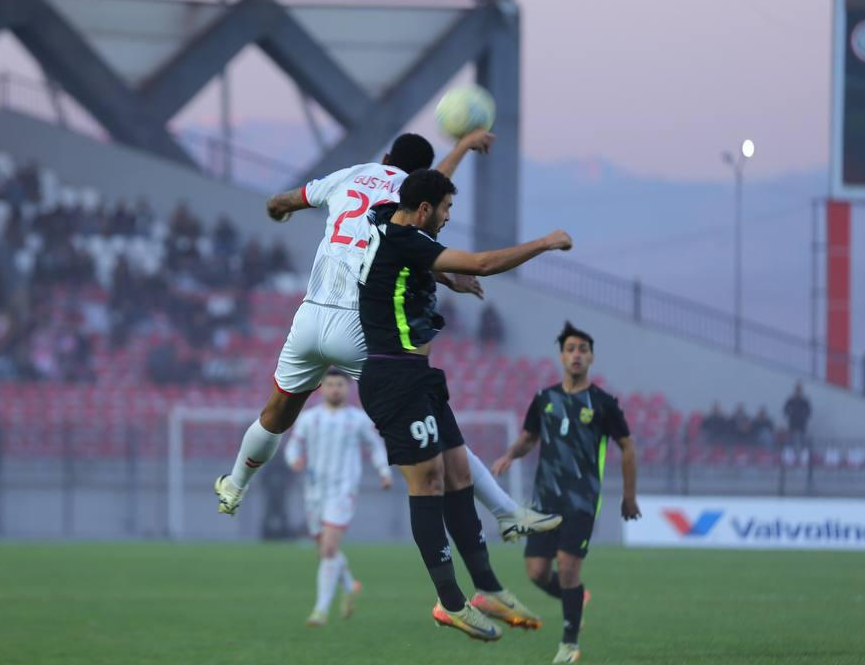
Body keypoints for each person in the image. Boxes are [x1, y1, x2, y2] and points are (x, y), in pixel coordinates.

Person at [215, 132, 559, 544]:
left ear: (385, 157)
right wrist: (463, 147)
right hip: (362, 328)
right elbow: (427, 199)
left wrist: (277, 209)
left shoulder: (351, 176)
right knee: (436, 426)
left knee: (277, 412)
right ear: (419, 184)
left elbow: (284, 201)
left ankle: (235, 485)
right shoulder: (409, 196)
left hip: (310, 317)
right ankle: (506, 513)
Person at [355, 169, 574, 640]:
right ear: (425, 209)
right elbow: (483, 261)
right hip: (393, 378)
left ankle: (487, 589)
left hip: (417, 377)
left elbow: (399, 258)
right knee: (428, 483)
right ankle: (450, 603)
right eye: (448, 209)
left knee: (457, 472)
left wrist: (444, 279)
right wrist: (545, 242)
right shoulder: (405, 237)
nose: (450, 217)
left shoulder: (380, 221)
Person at [491, 321, 641, 663]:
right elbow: (530, 437)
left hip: (582, 500)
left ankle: (569, 645)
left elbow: (628, 447)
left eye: (583, 350)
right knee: (537, 573)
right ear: (561, 356)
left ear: (591, 358)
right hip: (545, 499)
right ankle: (576, 599)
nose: (576, 355)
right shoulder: (545, 399)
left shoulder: (603, 403)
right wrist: (509, 456)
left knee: (568, 567)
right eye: (571, 349)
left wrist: (629, 497)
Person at [283, 370, 393, 627]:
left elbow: (376, 447)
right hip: (314, 491)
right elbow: (293, 446)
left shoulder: (358, 420)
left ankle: (320, 611)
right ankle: (349, 584)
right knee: (324, 551)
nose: (334, 389)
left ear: (348, 388)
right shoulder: (309, 419)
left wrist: (384, 472)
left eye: (339, 385)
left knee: (329, 548)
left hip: (343, 490)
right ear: (321, 388)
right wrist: (294, 459)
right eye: (330, 384)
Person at [783, 382, 812, 448]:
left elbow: (809, 411)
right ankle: (790, 453)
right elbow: (785, 410)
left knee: (802, 441)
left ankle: (803, 453)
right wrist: (789, 413)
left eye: (799, 390)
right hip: (792, 423)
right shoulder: (791, 400)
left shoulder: (805, 401)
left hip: (802, 424)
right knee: (791, 441)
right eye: (797, 390)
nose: (798, 391)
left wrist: (804, 416)